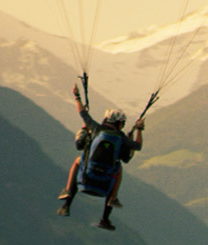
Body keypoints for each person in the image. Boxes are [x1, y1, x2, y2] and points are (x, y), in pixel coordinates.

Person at [58, 88, 144, 231]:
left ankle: (67, 198)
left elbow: (82, 113)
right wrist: (139, 129)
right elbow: (137, 146)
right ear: (118, 123)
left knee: (78, 160)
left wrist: (77, 96)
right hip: (104, 183)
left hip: (86, 177)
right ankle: (108, 210)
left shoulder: (96, 128)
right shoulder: (121, 137)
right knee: (118, 169)